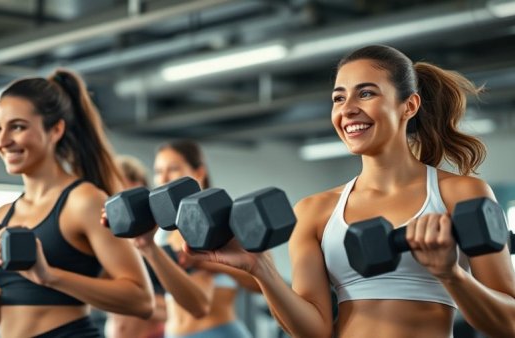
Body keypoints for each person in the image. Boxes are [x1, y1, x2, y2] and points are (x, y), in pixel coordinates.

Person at [183, 45, 515, 338]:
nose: (348, 108)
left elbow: (509, 323)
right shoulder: (314, 211)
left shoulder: (461, 194)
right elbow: (314, 330)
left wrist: (451, 274)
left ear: (409, 105)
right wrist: (261, 269)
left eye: (366, 93)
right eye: (339, 98)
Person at [0, 69, 154, 338]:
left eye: (17, 127)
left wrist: (49, 276)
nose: (3, 141)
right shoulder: (1, 216)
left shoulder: (84, 201)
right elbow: (2, 312)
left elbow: (141, 300)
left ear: (55, 130)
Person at [119, 140, 258, 338]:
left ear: (199, 172)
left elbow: (260, 280)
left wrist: (206, 262)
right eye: (158, 171)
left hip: (217, 332)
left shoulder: (223, 221)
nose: (164, 178)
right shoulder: (159, 232)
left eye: (173, 169)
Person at [105, 154, 167, 338]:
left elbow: (173, 310)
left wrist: (133, 299)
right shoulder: (110, 244)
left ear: (138, 186)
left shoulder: (157, 247)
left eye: (121, 186)